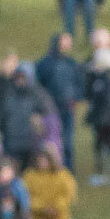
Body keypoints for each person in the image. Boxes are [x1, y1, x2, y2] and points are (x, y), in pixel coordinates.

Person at [35, 33, 84, 172]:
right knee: (51, 141)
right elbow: (39, 87)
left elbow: (79, 84)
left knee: (67, 141)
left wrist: (76, 98)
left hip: (67, 108)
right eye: (65, 42)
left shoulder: (71, 63)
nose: (68, 46)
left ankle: (67, 170)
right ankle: (52, 168)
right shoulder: (44, 64)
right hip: (49, 111)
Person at [82, 45, 110, 186]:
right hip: (108, 119)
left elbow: (104, 103)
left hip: (107, 120)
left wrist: (93, 117)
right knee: (105, 147)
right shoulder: (105, 78)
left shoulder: (105, 80)